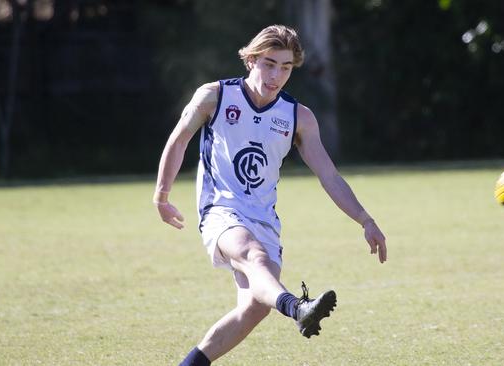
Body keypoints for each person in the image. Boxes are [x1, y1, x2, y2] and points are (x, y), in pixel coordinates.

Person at [153, 24, 387, 366]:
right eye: (269, 63)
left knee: (254, 308)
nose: (276, 74)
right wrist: (162, 194)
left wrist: (365, 219)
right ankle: (297, 308)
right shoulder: (214, 97)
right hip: (220, 210)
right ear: (251, 60)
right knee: (253, 257)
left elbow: (329, 175)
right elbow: (178, 139)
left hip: (264, 219)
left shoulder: (298, 117)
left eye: (286, 67)